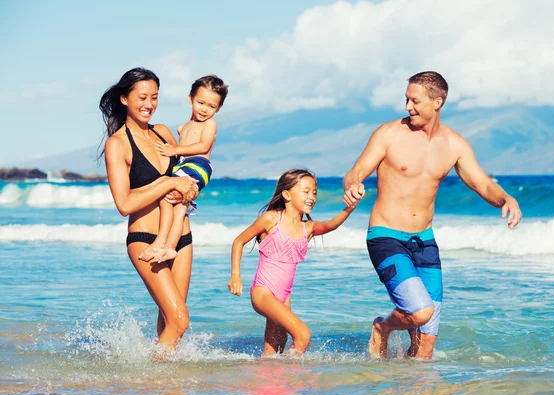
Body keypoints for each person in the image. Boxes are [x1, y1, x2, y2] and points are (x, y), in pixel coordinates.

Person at [343, 71, 522, 360]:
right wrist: (353, 186)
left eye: (414, 101)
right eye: (406, 99)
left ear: (437, 102)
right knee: (420, 311)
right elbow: (356, 171)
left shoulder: (454, 144)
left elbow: (483, 184)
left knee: (425, 349)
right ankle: (383, 328)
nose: (407, 107)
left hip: (425, 241)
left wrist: (506, 198)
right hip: (386, 236)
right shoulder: (389, 134)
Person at [100, 67, 199, 355]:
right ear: (124, 99)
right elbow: (124, 204)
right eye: (142, 97)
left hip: (181, 238)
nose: (149, 104)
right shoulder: (117, 144)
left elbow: (186, 179)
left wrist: (189, 187)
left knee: (171, 320)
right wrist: (166, 182)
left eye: (154, 97)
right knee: (180, 321)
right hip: (145, 239)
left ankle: (164, 394)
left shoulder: (164, 133)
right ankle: (149, 377)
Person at [228, 169, 361, 356]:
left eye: (314, 192)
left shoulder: (309, 228)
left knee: (274, 349)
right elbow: (239, 241)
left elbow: (331, 225)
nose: (311, 197)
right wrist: (235, 275)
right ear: (287, 194)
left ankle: (269, 380)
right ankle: (290, 375)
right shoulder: (271, 219)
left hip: (284, 297)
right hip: (263, 293)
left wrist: (349, 208)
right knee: (303, 335)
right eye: (305, 191)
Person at [139, 75, 229, 263]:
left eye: (212, 106)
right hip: (186, 166)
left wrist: (175, 150)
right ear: (191, 99)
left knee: (165, 195)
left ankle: (160, 241)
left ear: (219, 108)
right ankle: (170, 248)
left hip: (198, 165)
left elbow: (203, 146)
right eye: (200, 102)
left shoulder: (210, 124)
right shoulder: (183, 127)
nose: (205, 109)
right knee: (179, 206)